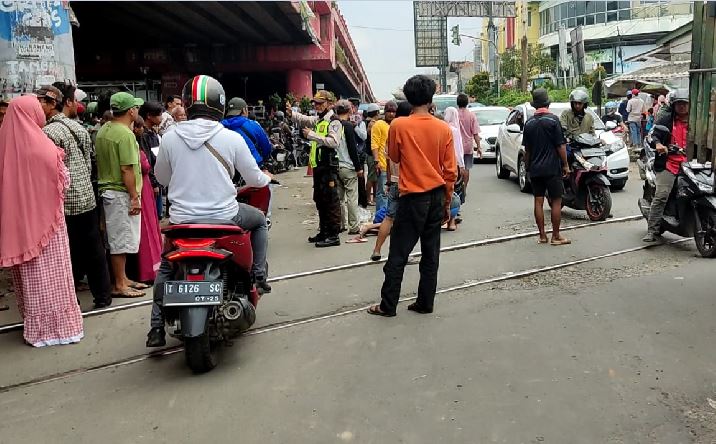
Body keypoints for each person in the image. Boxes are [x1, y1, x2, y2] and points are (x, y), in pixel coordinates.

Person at [147, 75, 272, 347]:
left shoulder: (168, 138)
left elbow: (163, 178)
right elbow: (253, 178)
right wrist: (266, 178)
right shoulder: (230, 138)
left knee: (168, 264)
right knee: (260, 221)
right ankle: (259, 278)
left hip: (183, 221)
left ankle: (156, 325)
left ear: (188, 104)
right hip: (225, 216)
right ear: (220, 104)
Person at [367, 75, 457, 318]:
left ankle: (388, 305)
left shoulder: (399, 125)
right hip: (437, 195)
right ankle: (425, 302)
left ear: (407, 98)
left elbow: (394, 157)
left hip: (412, 198)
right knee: (431, 253)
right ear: (430, 98)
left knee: (398, 253)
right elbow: (451, 172)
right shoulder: (443, 128)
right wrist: (447, 203)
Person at [0, 96, 84, 346]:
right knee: (53, 275)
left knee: (31, 277)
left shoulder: (3, 145)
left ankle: (36, 327)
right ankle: (60, 328)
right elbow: (63, 182)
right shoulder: (43, 146)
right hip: (49, 225)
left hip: (18, 226)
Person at [40, 83, 112, 309]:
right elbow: (90, 158)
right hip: (86, 197)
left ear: (53, 104)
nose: (38, 106)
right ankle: (102, 295)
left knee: (67, 252)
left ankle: (69, 300)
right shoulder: (78, 127)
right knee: (94, 248)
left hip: (66, 200)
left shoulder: (48, 132)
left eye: (42, 102)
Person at [95, 91, 148, 298]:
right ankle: (119, 283)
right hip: (120, 192)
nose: (137, 110)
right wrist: (134, 196)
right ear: (130, 111)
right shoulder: (125, 134)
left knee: (119, 239)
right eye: (135, 107)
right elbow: (127, 169)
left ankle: (123, 278)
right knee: (121, 240)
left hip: (109, 191)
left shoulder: (104, 129)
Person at [286, 90, 343, 248]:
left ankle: (333, 235)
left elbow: (334, 142)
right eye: (316, 103)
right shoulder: (320, 120)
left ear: (329, 103)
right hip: (319, 167)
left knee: (331, 201)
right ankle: (324, 232)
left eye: (320, 103)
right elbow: (306, 119)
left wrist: (312, 135)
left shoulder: (334, 121)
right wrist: (293, 114)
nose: (317, 106)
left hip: (328, 167)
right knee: (320, 201)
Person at [523, 89, 571, 246]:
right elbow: (560, 146)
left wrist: (528, 167)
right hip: (552, 168)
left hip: (535, 169)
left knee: (538, 201)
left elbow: (527, 150)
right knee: (556, 201)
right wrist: (565, 164)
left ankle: (542, 236)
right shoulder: (553, 120)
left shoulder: (528, 124)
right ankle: (556, 236)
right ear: (547, 104)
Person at [643, 89, 690, 243]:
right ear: (674, 105)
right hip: (670, 163)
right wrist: (658, 144)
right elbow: (652, 134)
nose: (682, 107)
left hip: (691, 164)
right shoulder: (666, 119)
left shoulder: (696, 120)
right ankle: (652, 230)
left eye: (685, 104)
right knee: (662, 195)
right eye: (679, 104)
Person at [369, 100, 413, 261]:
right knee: (406, 221)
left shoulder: (392, 132)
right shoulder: (408, 131)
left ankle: (377, 250)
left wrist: (388, 180)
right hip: (407, 183)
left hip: (393, 181)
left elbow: (388, 159)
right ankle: (402, 255)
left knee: (389, 217)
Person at [132, 116, 163, 283]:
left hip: (144, 188)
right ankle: (148, 270)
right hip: (141, 189)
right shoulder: (134, 144)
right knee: (146, 229)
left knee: (149, 227)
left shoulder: (137, 143)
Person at [334, 100, 363, 235]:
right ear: (349, 110)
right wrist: (358, 168)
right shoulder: (348, 126)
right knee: (351, 197)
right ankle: (354, 226)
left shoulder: (333, 125)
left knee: (339, 198)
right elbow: (352, 149)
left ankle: (341, 224)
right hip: (348, 166)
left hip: (336, 166)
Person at [221, 97, 273, 168]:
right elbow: (266, 147)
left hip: (228, 169)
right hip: (252, 168)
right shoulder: (254, 125)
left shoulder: (220, 126)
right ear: (244, 110)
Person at [138, 102, 164, 217]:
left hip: (157, 178)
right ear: (149, 116)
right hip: (150, 181)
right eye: (159, 114)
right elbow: (147, 161)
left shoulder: (153, 133)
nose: (161, 118)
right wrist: (154, 184)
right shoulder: (143, 135)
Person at [443, 106, 466, 231]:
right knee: (454, 191)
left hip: (441, 164)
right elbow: (458, 149)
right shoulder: (454, 130)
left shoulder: (442, 128)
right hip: (454, 164)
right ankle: (452, 220)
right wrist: (461, 165)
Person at [371, 101, 396, 212]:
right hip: (383, 165)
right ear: (384, 112)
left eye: (393, 111)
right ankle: (381, 218)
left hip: (395, 168)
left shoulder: (397, 125)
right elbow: (374, 144)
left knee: (393, 194)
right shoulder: (379, 125)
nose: (391, 114)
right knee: (382, 193)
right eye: (389, 111)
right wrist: (376, 161)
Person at [456, 93, 481, 198]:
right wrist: (479, 146)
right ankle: (464, 188)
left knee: (457, 167)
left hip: (456, 146)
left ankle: (456, 188)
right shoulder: (471, 115)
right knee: (466, 167)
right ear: (467, 103)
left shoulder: (454, 114)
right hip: (467, 145)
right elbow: (475, 133)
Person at [363, 103, 380, 206]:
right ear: (377, 113)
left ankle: (373, 198)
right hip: (372, 154)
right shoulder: (372, 124)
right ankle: (369, 198)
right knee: (371, 176)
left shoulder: (367, 122)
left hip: (369, 153)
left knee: (374, 176)